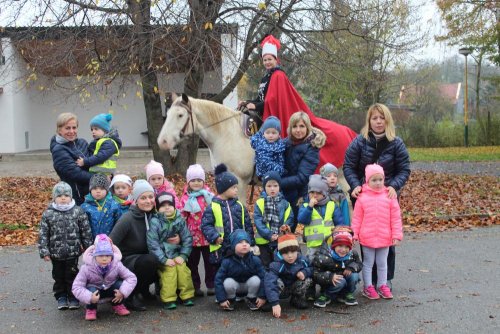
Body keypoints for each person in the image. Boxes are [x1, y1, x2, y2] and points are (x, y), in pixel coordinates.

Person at [239, 35, 356, 168]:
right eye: (265, 60)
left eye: (270, 59)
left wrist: (255, 105)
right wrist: (247, 102)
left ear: (276, 60)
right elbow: (260, 98)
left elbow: (272, 100)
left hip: (278, 113)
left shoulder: (278, 75)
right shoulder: (265, 78)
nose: (267, 62)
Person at [343, 103, 410, 288]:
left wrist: (394, 187)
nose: (378, 121)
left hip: (386, 198)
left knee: (386, 238)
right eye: (375, 118)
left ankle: (385, 278)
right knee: (367, 239)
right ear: (369, 121)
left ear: (387, 120)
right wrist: (355, 185)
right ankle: (370, 280)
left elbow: (404, 169)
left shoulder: (396, 143)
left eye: (382, 118)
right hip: (363, 197)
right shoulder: (359, 142)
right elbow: (348, 165)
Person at [351, 164, 403, 300]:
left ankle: (382, 285)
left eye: (380, 179)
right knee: (368, 263)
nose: (378, 183)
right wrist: (354, 233)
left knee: (382, 263)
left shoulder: (390, 196)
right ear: (367, 181)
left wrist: (396, 234)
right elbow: (357, 218)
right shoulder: (362, 197)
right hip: (367, 237)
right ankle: (368, 286)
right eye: (374, 180)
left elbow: (395, 218)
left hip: (384, 237)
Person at [38, 181, 93, 310]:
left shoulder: (77, 211)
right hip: (55, 253)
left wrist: (87, 246)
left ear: (71, 197)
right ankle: (61, 296)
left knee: (72, 275)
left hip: (72, 252)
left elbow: (85, 230)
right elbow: (43, 234)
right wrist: (44, 251)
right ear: (54, 198)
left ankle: (73, 296)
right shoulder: (48, 214)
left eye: (66, 195)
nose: (63, 198)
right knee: (58, 275)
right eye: (59, 196)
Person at [109, 180, 161, 311]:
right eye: (143, 198)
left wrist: (175, 239)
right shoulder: (128, 218)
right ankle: (131, 295)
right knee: (151, 261)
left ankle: (143, 290)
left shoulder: (155, 216)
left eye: (150, 197)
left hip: (147, 256)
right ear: (136, 200)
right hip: (129, 260)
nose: (148, 201)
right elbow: (111, 241)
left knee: (160, 259)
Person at [147, 192, 195, 310]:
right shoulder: (155, 221)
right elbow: (153, 243)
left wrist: (183, 255)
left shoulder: (179, 219)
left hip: (177, 254)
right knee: (169, 273)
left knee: (183, 270)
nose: (167, 207)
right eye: (163, 206)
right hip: (163, 256)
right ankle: (169, 298)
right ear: (157, 209)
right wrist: (163, 259)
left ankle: (187, 295)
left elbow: (187, 238)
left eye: (169, 204)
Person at [72, 234, 137, 321]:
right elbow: (76, 286)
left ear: (112, 256)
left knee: (120, 285)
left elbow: (131, 277)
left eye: (107, 255)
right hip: (94, 291)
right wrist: (89, 297)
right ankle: (91, 309)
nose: (104, 259)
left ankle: (117, 304)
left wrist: (123, 292)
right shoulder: (86, 267)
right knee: (91, 289)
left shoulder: (117, 264)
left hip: (110, 287)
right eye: (101, 255)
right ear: (95, 255)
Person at [201, 164, 254, 266]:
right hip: (221, 249)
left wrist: (250, 242)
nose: (236, 190)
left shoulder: (239, 206)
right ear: (224, 189)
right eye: (233, 187)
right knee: (221, 274)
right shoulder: (213, 207)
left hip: (239, 249)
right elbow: (206, 225)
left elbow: (247, 225)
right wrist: (215, 237)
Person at [280, 112, 326, 228]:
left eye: (302, 126)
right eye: (294, 126)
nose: (298, 130)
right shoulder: (286, 143)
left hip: (296, 195)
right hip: (281, 192)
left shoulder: (312, 148)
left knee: (288, 228)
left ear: (308, 127)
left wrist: (277, 183)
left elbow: (302, 178)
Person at [180, 164, 217, 297]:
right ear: (188, 182)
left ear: (203, 181)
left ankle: (211, 284)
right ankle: (195, 286)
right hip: (192, 237)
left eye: (199, 180)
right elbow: (183, 216)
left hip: (208, 236)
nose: (196, 183)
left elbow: (216, 214)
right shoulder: (186, 198)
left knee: (210, 262)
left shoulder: (209, 196)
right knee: (192, 264)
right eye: (193, 180)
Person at [214, 230, 267, 311]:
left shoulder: (255, 260)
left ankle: (251, 298)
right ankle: (230, 300)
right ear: (233, 245)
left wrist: (262, 296)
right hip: (234, 287)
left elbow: (264, 277)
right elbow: (218, 279)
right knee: (228, 282)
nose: (244, 244)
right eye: (240, 242)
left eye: (247, 242)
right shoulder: (227, 261)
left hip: (248, 286)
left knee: (256, 280)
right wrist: (222, 299)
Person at [297, 174, 345, 262]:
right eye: (312, 192)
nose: (314, 195)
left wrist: (339, 234)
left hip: (329, 243)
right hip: (313, 244)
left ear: (325, 193)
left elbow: (339, 222)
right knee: (312, 264)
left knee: (330, 263)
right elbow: (302, 220)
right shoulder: (305, 206)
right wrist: (309, 207)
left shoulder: (332, 205)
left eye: (318, 193)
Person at [264, 233, 313, 318]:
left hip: (294, 286)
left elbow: (312, 268)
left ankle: (296, 299)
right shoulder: (276, 264)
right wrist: (274, 303)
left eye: (293, 252)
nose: (290, 256)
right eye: (286, 253)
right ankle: (272, 301)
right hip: (282, 290)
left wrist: (305, 272)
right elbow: (269, 282)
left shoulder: (302, 260)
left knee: (307, 279)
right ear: (281, 253)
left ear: (297, 251)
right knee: (276, 281)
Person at [312, 226, 362, 308]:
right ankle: (326, 294)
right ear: (334, 246)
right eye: (340, 246)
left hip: (344, 279)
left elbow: (359, 264)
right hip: (330, 282)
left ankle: (346, 293)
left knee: (354, 275)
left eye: (346, 247)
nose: (343, 250)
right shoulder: (324, 256)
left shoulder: (352, 254)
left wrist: (351, 267)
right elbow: (315, 273)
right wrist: (330, 276)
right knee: (340, 281)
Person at [50, 113, 93, 205]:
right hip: (75, 198)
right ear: (59, 130)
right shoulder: (59, 149)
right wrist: (100, 178)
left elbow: (95, 161)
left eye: (74, 127)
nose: (72, 131)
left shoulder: (82, 143)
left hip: (93, 194)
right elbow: (76, 174)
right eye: (67, 128)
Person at [253, 171, 294, 267]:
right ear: (264, 187)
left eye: (275, 186)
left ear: (279, 187)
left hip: (280, 240)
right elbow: (258, 221)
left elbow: (289, 218)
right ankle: (267, 281)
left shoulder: (285, 204)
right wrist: (269, 234)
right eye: (269, 186)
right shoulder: (260, 203)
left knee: (280, 263)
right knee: (265, 264)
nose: (272, 189)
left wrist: (285, 227)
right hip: (264, 241)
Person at [81, 173, 122, 238]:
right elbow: (82, 227)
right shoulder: (85, 207)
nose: (98, 191)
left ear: (107, 190)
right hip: (91, 243)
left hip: (110, 242)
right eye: (95, 188)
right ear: (90, 190)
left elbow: (118, 225)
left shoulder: (114, 205)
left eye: (102, 189)